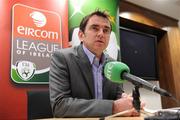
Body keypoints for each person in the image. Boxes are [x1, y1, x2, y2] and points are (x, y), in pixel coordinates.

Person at [49, 10, 144, 118]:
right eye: (95, 28)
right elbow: (60, 106)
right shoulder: (62, 58)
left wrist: (128, 102)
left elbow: (117, 96)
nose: (101, 34)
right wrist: (114, 107)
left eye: (106, 30)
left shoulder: (114, 64)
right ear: (81, 35)